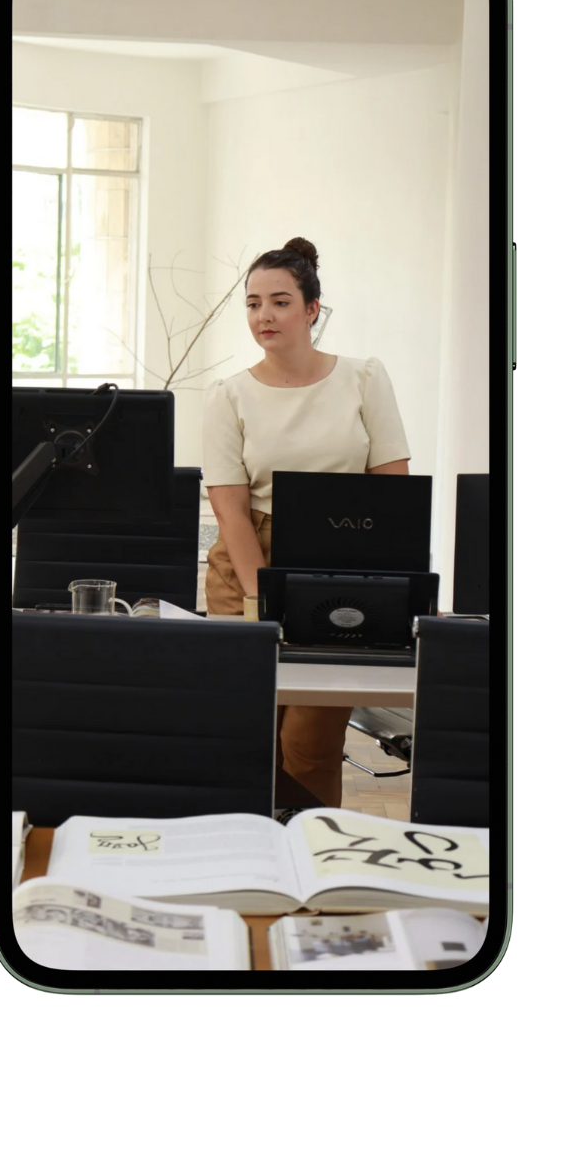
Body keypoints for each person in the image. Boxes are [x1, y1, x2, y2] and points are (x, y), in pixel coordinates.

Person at [202, 237, 410, 808]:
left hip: (340, 560)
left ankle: (315, 859)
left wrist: (378, 582)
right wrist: (264, 597)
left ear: (312, 309)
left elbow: (393, 493)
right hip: (248, 563)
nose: (263, 316)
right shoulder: (229, 395)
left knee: (311, 742)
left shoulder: (364, 378)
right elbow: (229, 510)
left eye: (279, 302)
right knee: (246, 735)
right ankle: (242, 854)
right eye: (252, 303)